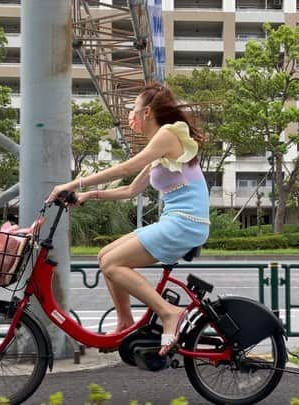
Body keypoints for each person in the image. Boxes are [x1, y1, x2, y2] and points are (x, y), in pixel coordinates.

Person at [46, 82, 210, 356]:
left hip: (185, 223)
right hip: (176, 221)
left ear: (147, 112)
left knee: (112, 264)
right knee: (104, 255)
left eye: (133, 109)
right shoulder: (160, 147)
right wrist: (89, 195)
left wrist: (75, 183)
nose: (129, 115)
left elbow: (127, 166)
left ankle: (169, 313)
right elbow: (130, 189)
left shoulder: (168, 134)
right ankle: (125, 321)